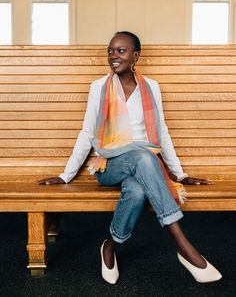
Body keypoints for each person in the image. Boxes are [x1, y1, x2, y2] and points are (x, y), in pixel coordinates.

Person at [38, 31, 222, 284]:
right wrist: (65, 175)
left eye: (121, 51)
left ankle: (110, 246)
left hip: (143, 164)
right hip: (109, 165)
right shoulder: (98, 88)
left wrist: (181, 173)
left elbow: (162, 130)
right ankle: (182, 244)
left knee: (136, 189)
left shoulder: (152, 87)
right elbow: (87, 132)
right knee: (141, 156)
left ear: (136, 55)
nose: (114, 56)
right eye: (110, 51)